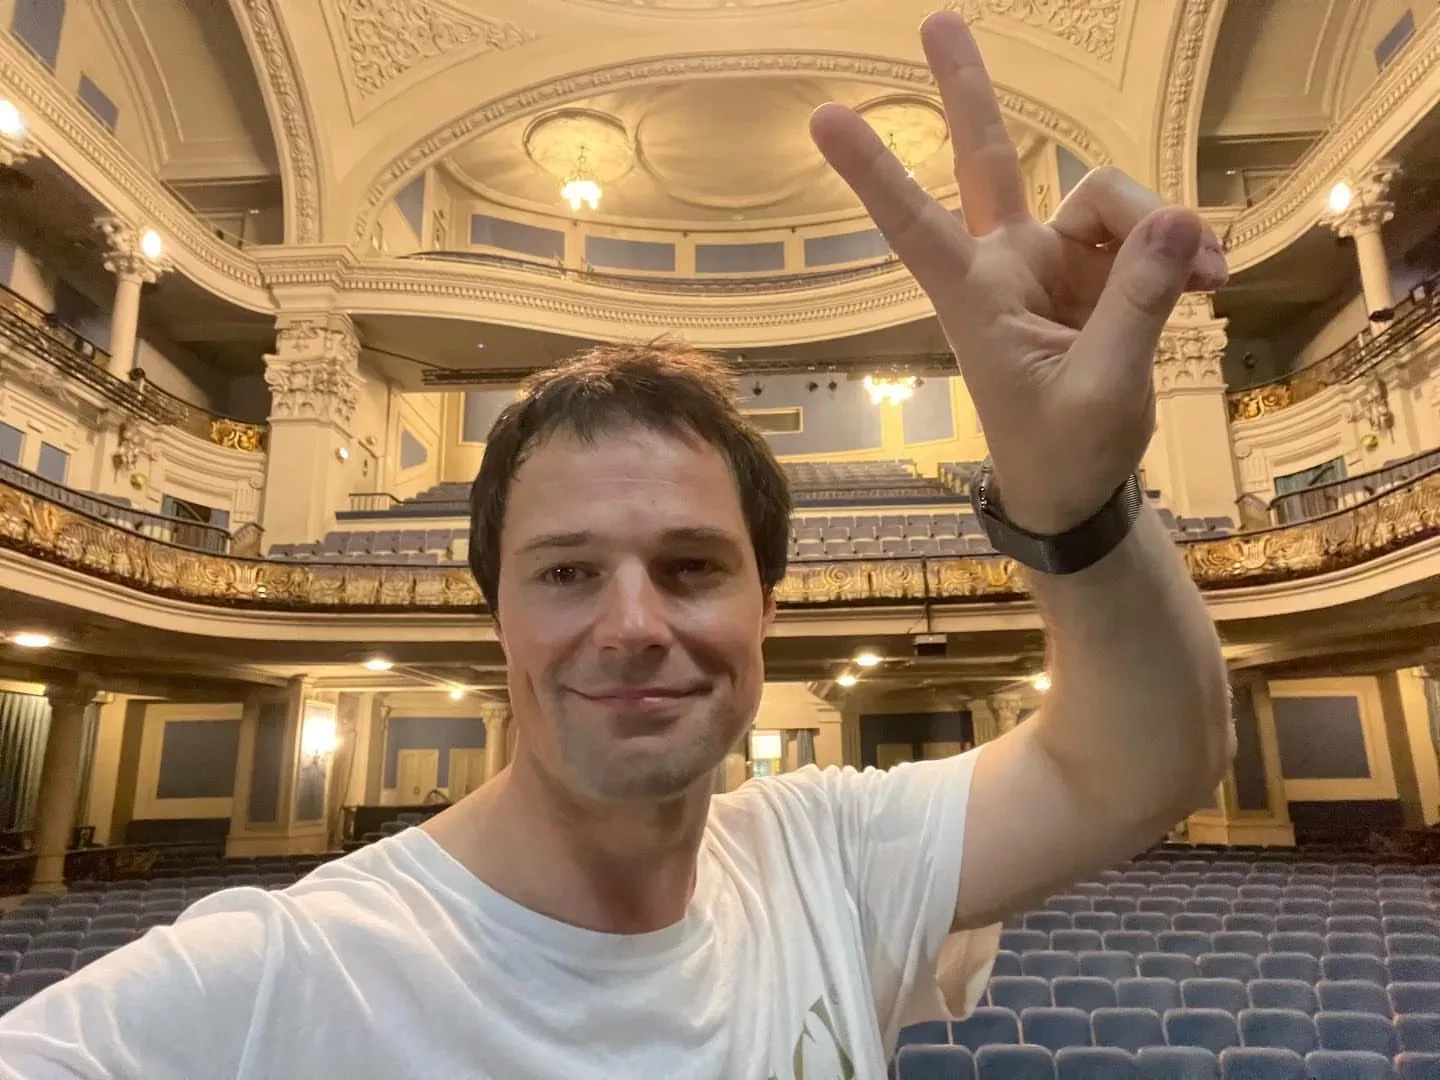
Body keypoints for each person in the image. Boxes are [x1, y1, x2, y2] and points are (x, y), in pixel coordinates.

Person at [0, 12, 1234, 1078]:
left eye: (693, 567)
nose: (634, 625)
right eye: (568, 572)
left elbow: (1135, 767)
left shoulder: (828, 859)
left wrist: (1076, 500)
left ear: (768, 607)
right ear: (497, 613)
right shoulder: (278, 975)